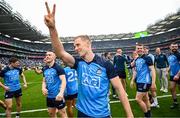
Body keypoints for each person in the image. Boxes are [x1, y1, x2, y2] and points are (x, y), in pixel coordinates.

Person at [44, 2, 133, 117]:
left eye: (78, 45)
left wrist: (130, 115)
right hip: (82, 113)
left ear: (88, 44)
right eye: (74, 46)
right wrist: (52, 28)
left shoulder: (105, 64)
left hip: (102, 114)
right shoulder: (78, 63)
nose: (75, 48)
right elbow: (60, 52)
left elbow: (119, 90)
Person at [130, 44, 156, 117]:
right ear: (136, 50)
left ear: (143, 49)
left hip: (145, 81)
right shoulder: (137, 59)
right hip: (139, 81)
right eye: (138, 48)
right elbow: (135, 70)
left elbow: (152, 70)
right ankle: (149, 115)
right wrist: (132, 80)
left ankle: (147, 115)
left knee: (138, 99)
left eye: (141, 48)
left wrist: (153, 82)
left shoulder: (147, 58)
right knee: (146, 98)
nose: (139, 49)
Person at [41, 51, 67, 117]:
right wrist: (43, 88)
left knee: (62, 113)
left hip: (58, 96)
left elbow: (64, 80)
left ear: (54, 57)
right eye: (46, 55)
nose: (47, 56)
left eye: (49, 55)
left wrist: (61, 93)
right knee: (51, 114)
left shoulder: (58, 68)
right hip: (49, 96)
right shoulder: (45, 68)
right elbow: (44, 81)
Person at [167, 42, 180, 109]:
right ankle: (175, 102)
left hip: (179, 74)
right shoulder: (169, 55)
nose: (174, 48)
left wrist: (178, 75)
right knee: (172, 88)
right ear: (170, 47)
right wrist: (168, 70)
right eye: (173, 46)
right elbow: (171, 64)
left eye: (175, 46)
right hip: (172, 74)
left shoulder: (178, 54)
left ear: (177, 47)